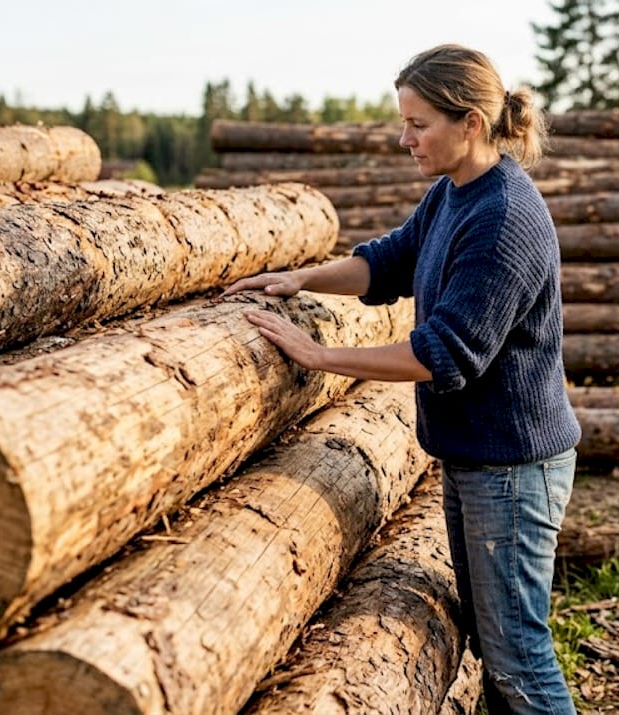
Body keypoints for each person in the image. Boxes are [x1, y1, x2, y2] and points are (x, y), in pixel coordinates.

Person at [224, 44, 581, 714]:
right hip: (481, 456)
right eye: (404, 123)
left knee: (519, 657)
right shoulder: (454, 193)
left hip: (513, 467)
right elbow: (389, 262)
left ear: (470, 123)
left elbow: (443, 353)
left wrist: (319, 356)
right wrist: (301, 278)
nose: (404, 138)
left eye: (418, 124)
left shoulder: (504, 218)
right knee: (497, 643)